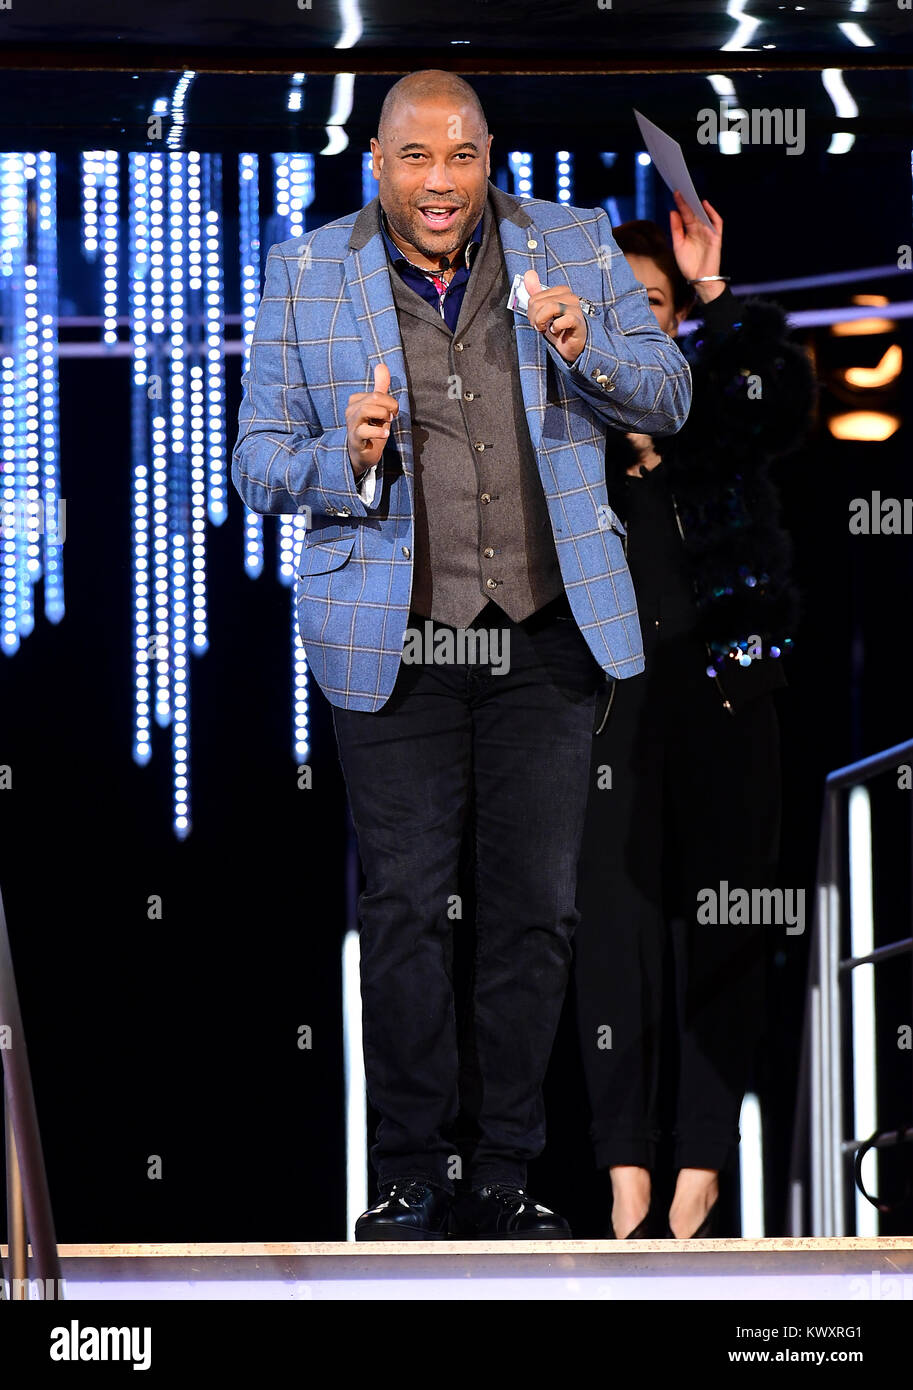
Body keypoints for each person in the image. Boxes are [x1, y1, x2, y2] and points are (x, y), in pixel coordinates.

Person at [232, 69, 691, 1240]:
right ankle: (407, 1170)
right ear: (376, 162)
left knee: (534, 910)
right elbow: (257, 464)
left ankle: (505, 1171)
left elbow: (669, 394)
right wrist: (346, 454)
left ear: (491, 157)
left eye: (463, 157)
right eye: (417, 158)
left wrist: (589, 351)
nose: (441, 183)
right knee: (399, 911)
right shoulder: (307, 269)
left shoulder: (578, 244)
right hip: (390, 639)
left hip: (543, 632)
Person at [573, 193, 816, 1239]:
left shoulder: (723, 416)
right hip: (603, 717)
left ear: (675, 319)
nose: (639, 316)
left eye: (658, 301)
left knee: (720, 925)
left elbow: (780, 399)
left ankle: (701, 1166)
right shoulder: (562, 438)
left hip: (726, 695)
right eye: (617, 303)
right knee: (612, 939)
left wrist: (717, 289)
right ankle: (626, 1169)